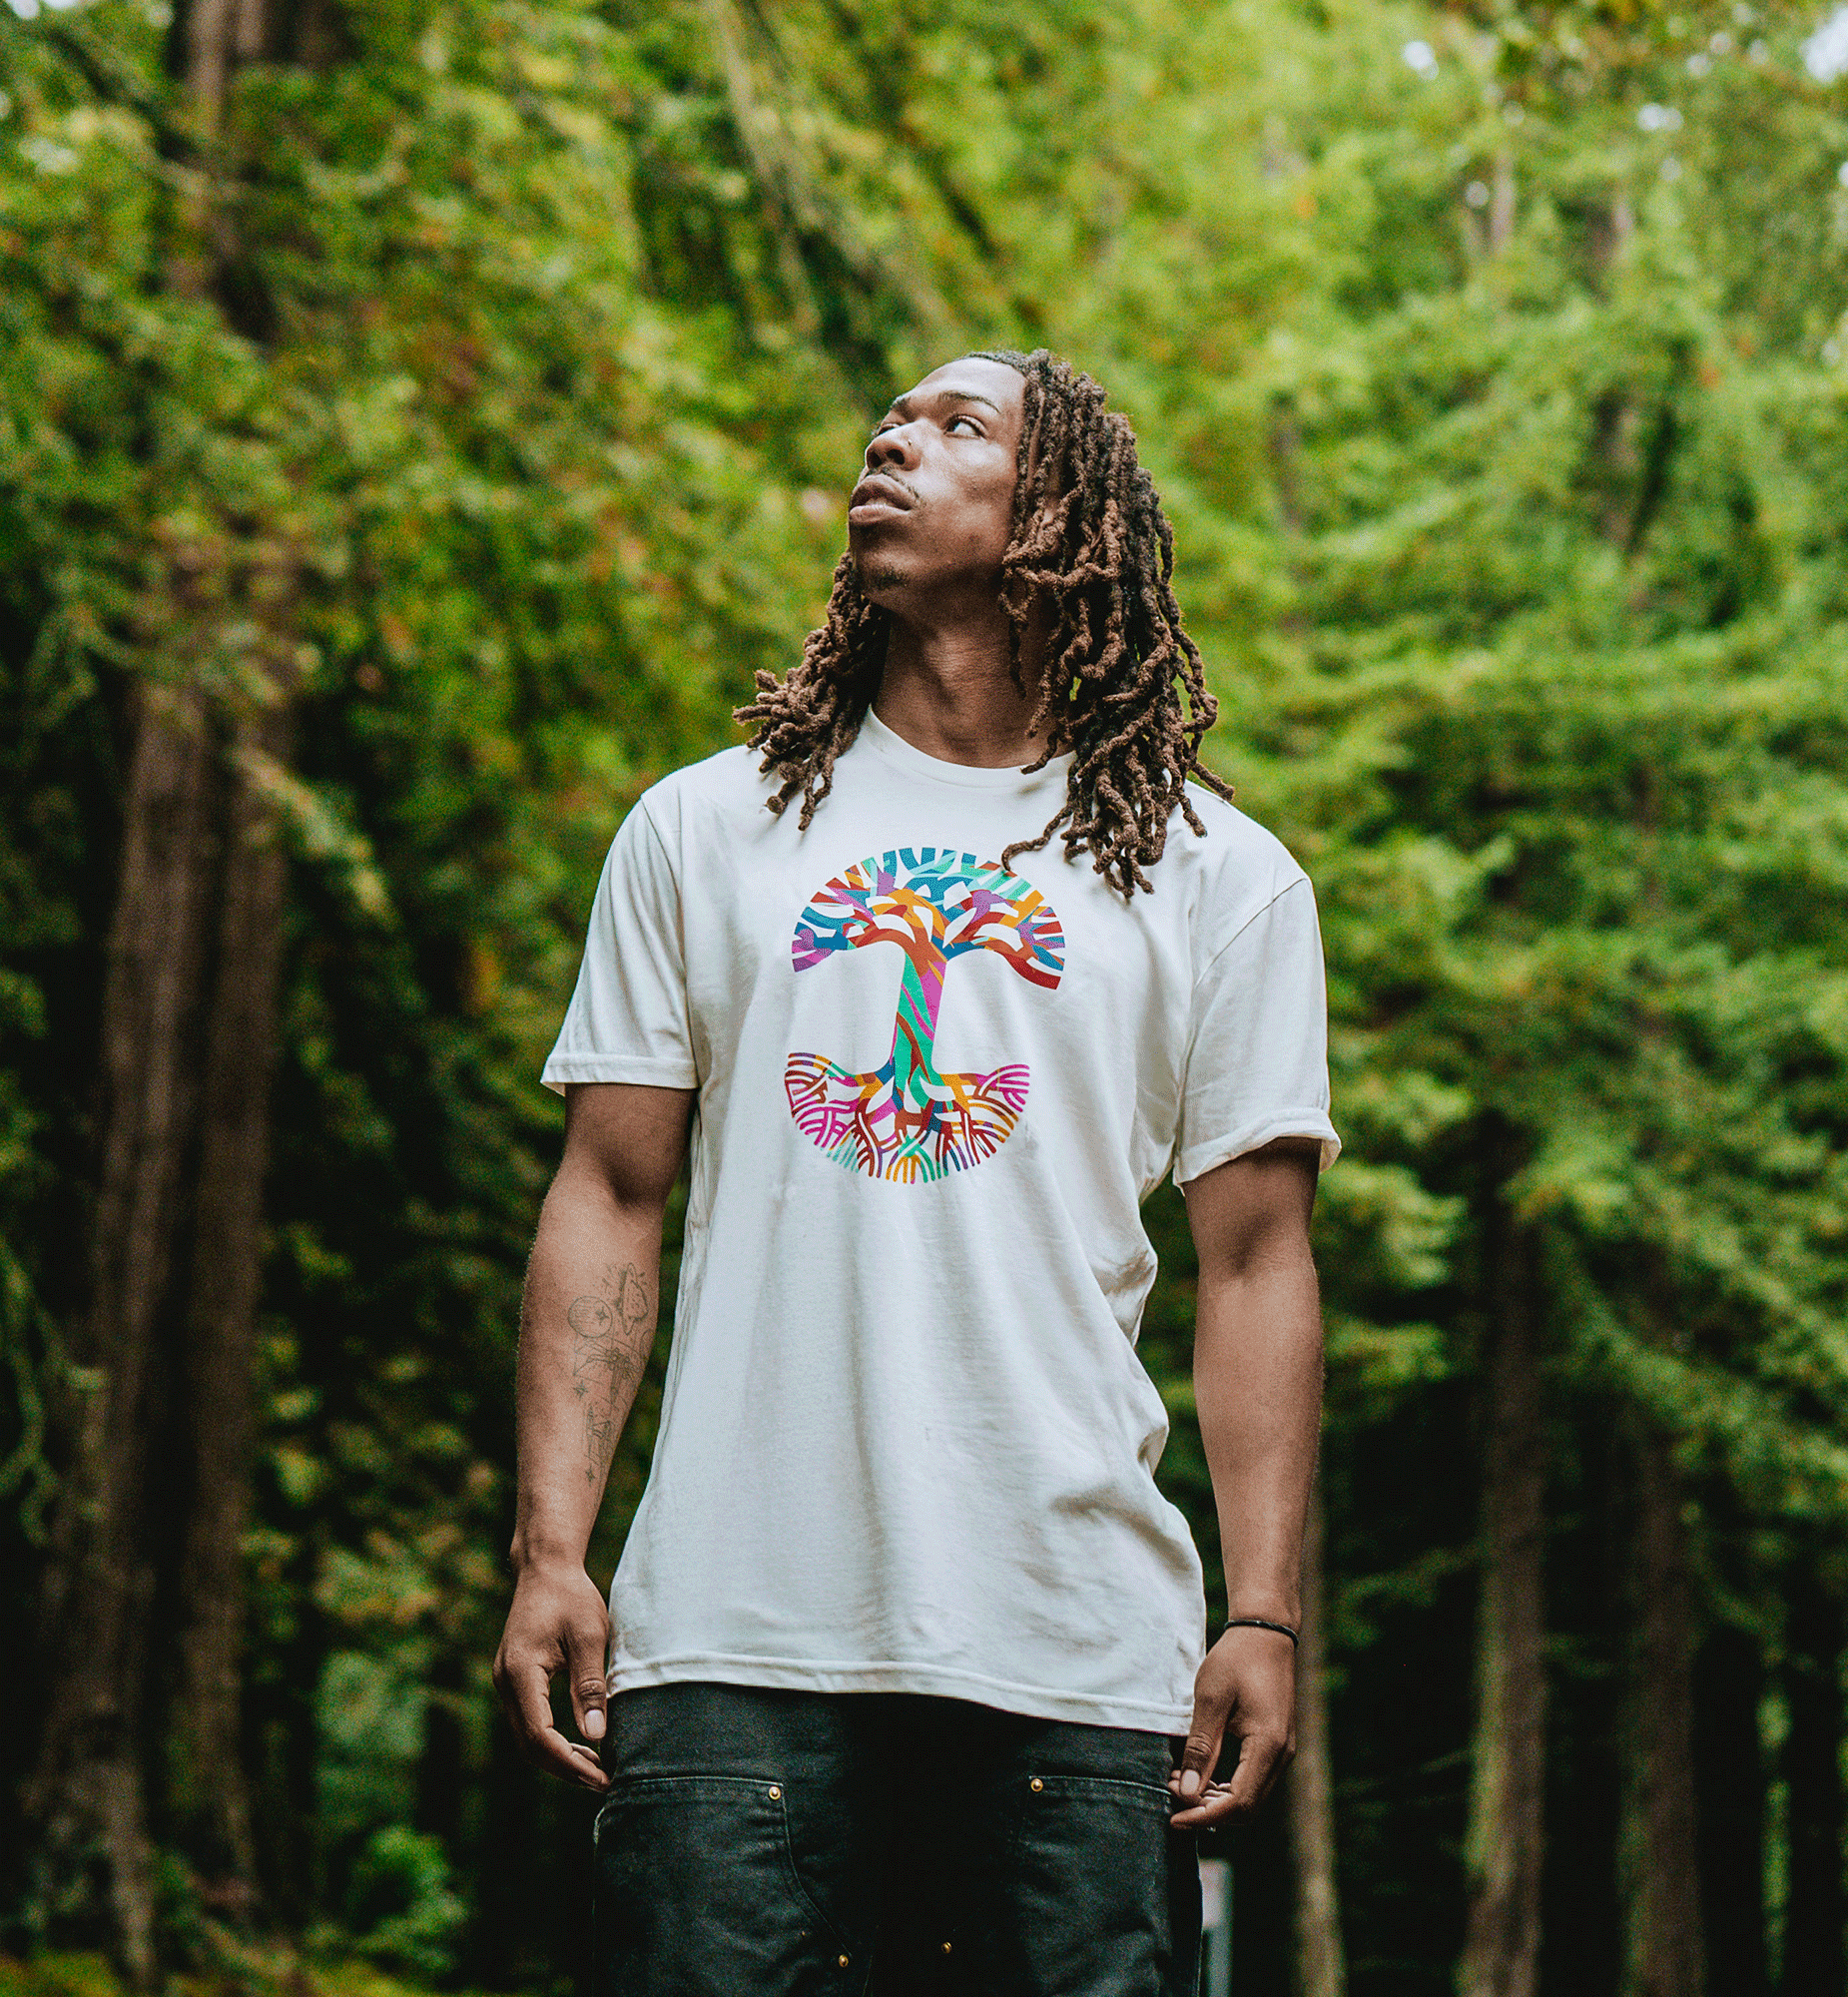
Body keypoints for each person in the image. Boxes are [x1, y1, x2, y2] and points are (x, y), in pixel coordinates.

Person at [492, 347, 1339, 1995]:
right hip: (731, 1645)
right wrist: (551, 1553)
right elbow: (610, 1192)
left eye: (962, 427)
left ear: (1064, 523)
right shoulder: (705, 829)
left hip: (1077, 1662)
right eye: (890, 418)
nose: (895, 438)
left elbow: (1256, 1266)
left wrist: (1265, 1613)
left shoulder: (1217, 881)